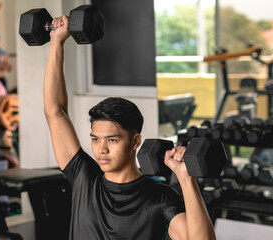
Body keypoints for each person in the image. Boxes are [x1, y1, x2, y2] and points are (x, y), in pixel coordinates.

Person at [43, 15, 216, 240]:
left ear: (135, 141)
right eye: (95, 139)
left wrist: (186, 178)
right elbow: (55, 112)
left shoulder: (159, 197)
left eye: (112, 140)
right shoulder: (84, 177)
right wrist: (56, 42)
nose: (101, 149)